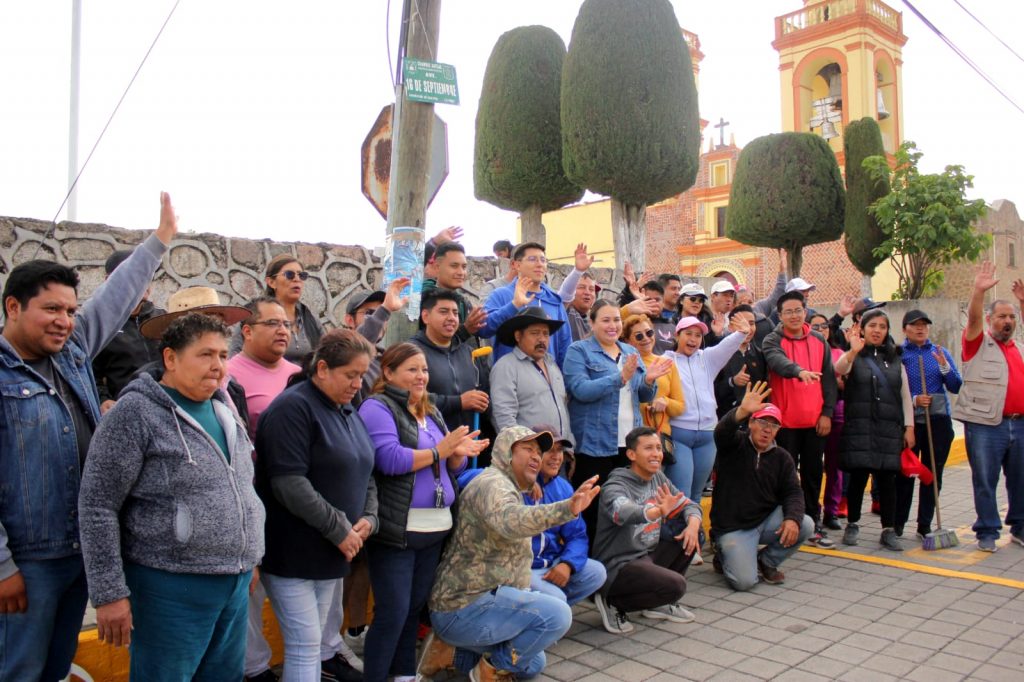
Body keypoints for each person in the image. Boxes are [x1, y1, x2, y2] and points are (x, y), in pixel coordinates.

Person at [0, 192, 175, 682]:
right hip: (27, 561)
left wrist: (159, 242)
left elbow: (114, 299)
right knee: (17, 669)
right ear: (13, 307)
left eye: (71, 310)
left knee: (55, 668)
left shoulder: (71, 350)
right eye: (51, 309)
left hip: (78, 554)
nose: (64, 320)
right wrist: (3, 567)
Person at [77, 312, 266, 680]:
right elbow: (97, 505)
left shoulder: (224, 409)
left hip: (234, 583)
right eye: (205, 354)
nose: (218, 365)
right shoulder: (135, 413)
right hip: (168, 588)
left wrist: (249, 556)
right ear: (170, 358)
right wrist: (109, 592)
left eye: (223, 355)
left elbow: (241, 488)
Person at [421, 426, 600, 681]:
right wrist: (566, 509)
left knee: (532, 663)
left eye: (539, 451)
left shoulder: (508, 486)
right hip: (463, 607)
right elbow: (510, 520)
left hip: (481, 602)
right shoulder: (493, 484)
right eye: (528, 449)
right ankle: (486, 673)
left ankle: (448, 653)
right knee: (557, 615)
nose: (537, 456)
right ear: (506, 453)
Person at [254, 329, 380, 681]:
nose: (358, 384)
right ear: (322, 368)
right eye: (350, 374)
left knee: (313, 646)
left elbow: (366, 468)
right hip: (294, 551)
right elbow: (288, 483)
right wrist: (339, 527)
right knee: (305, 644)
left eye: (362, 375)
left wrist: (370, 517)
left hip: (335, 551)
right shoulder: (292, 409)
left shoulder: (347, 409)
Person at [358, 343, 486, 682]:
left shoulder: (429, 410)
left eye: (425, 370)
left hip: (434, 527)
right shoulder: (377, 406)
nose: (421, 376)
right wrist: (440, 450)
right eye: (412, 369)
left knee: (413, 609)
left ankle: (404, 674)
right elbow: (389, 459)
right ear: (388, 372)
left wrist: (457, 455)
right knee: (393, 611)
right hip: (398, 530)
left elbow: (450, 468)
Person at [225, 298, 309, 682]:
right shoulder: (228, 375)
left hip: (296, 500)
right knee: (250, 589)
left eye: (286, 324)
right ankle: (254, 668)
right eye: (272, 323)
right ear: (247, 330)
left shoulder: (299, 374)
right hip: (252, 497)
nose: (282, 330)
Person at [563, 300, 673, 542]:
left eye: (616, 320)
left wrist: (649, 381)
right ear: (592, 323)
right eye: (605, 320)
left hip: (628, 444)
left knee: (625, 506)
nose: (612, 325)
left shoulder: (630, 351)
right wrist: (620, 378)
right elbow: (580, 390)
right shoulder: (578, 351)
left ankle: (622, 555)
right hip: (594, 444)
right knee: (594, 509)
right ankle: (592, 557)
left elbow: (643, 395)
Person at [592, 427, 702, 635]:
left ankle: (657, 603)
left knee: (690, 530)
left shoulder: (658, 478)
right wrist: (656, 511)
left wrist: (694, 526)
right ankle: (612, 602)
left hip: (646, 554)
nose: (656, 454)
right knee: (676, 586)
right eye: (648, 448)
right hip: (620, 564)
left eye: (659, 448)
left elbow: (689, 506)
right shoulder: (615, 485)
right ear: (631, 454)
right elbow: (623, 511)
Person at [710, 383, 815, 590]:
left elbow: (793, 492)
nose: (767, 429)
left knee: (805, 524)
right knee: (744, 582)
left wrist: (792, 519)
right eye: (763, 422)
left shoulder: (782, 457)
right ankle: (723, 554)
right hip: (734, 527)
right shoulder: (734, 444)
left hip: (765, 521)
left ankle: (766, 561)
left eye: (773, 425)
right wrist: (741, 411)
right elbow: (721, 432)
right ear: (751, 423)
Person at [951, 262, 1024, 552]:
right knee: (985, 479)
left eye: (1012, 317)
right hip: (986, 426)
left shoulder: (1019, 347)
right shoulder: (977, 344)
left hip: (1019, 424)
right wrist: (978, 292)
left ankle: (1019, 526)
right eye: (1002, 316)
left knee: (1020, 479)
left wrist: (1022, 303)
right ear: (990, 319)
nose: (1008, 321)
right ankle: (987, 530)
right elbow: (972, 320)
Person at [834, 310, 915, 551]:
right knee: (858, 478)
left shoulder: (895, 358)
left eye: (882, 326)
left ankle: (888, 530)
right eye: (872, 326)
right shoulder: (855, 354)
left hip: (888, 428)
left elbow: (905, 395)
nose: (877, 330)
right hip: (860, 427)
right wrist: (853, 351)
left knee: (887, 480)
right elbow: (840, 368)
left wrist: (909, 427)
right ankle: (852, 524)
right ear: (863, 329)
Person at [762, 290, 838, 549]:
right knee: (784, 476)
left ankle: (813, 523)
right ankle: (784, 522)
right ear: (780, 315)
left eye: (798, 310)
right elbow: (777, 362)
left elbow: (829, 380)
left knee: (813, 474)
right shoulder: (772, 340)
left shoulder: (819, 340)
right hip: (784, 424)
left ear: (805, 312)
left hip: (815, 422)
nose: (794, 315)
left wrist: (827, 413)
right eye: (788, 312)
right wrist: (799, 371)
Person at [665, 315, 747, 503]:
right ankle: (680, 523)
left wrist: (742, 332)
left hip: (708, 434)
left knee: (697, 493)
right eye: (688, 334)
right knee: (681, 493)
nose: (693, 339)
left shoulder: (707, 358)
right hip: (679, 432)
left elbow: (727, 346)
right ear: (677, 335)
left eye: (698, 335)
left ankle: (694, 523)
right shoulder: (666, 360)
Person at [897, 309, 962, 541]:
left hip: (938, 421)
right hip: (911, 423)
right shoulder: (899, 354)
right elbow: (893, 387)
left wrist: (945, 367)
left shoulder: (939, 352)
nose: (920, 328)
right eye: (915, 325)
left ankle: (924, 524)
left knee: (933, 474)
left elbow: (955, 385)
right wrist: (915, 400)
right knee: (906, 473)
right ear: (905, 329)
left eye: (924, 325)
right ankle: (898, 523)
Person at [524, 427, 607, 605]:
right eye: (550, 450)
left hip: (549, 562)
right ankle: (546, 609)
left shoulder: (563, 487)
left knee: (597, 572)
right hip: (519, 568)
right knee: (557, 599)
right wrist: (520, 477)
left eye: (560, 450)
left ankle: (546, 609)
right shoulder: (509, 481)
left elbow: (577, 535)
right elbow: (468, 477)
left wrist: (567, 564)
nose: (556, 457)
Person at [91, 249, 165, 413]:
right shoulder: (99, 323)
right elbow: (88, 372)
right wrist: (103, 399)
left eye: (148, 275)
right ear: (109, 280)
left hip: (167, 410)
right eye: (136, 275)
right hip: (126, 412)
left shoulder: (163, 319)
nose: (144, 280)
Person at [480, 242, 573, 367]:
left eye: (543, 260)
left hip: (549, 375)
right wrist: (514, 305)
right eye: (532, 259)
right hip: (512, 376)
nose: (539, 264)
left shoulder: (553, 300)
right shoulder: (501, 294)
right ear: (516, 265)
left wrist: (561, 376)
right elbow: (483, 329)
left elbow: (565, 344)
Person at [409, 289, 488, 431]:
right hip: (430, 440)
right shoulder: (411, 352)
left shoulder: (469, 353)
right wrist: (458, 402)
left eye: (455, 313)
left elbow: (485, 394)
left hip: (470, 440)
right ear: (426, 316)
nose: (451, 318)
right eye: (444, 312)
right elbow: (410, 397)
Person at [490, 307, 572, 442]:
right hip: (529, 450)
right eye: (535, 333)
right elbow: (503, 417)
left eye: (546, 334)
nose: (542, 339)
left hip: (559, 450)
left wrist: (569, 444)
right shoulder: (506, 367)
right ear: (518, 336)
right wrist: (522, 448)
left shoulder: (552, 365)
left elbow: (562, 408)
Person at [231, 254, 325, 363]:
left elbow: (325, 358)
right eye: (289, 274)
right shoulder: (253, 317)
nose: (297, 279)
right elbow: (234, 359)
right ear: (271, 282)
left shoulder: (311, 321)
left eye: (301, 275)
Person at [622, 314, 685, 448]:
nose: (646, 338)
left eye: (649, 333)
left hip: (659, 437)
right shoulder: (623, 364)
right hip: (630, 436)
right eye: (639, 336)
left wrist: (665, 402)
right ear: (627, 341)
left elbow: (680, 407)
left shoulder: (667, 364)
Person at [812, 312, 848, 531]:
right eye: (815, 326)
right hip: (812, 415)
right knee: (814, 466)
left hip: (837, 414)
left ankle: (831, 510)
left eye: (824, 326)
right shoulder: (807, 353)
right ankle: (813, 510)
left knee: (835, 465)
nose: (821, 330)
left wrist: (841, 382)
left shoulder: (838, 353)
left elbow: (846, 382)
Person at [419, 241, 488, 340]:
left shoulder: (463, 302)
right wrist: (466, 330)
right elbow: (436, 342)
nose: (461, 272)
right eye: (454, 266)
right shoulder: (424, 298)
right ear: (437, 267)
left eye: (464, 267)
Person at [714, 305, 766, 418]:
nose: (747, 328)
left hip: (754, 417)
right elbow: (712, 389)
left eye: (751, 323)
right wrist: (732, 382)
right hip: (726, 417)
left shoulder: (760, 354)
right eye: (742, 323)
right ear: (730, 327)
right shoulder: (719, 352)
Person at [565, 271, 598, 342]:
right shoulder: (564, 313)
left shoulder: (595, 320)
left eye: (591, 289)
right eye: (581, 287)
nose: (587, 292)